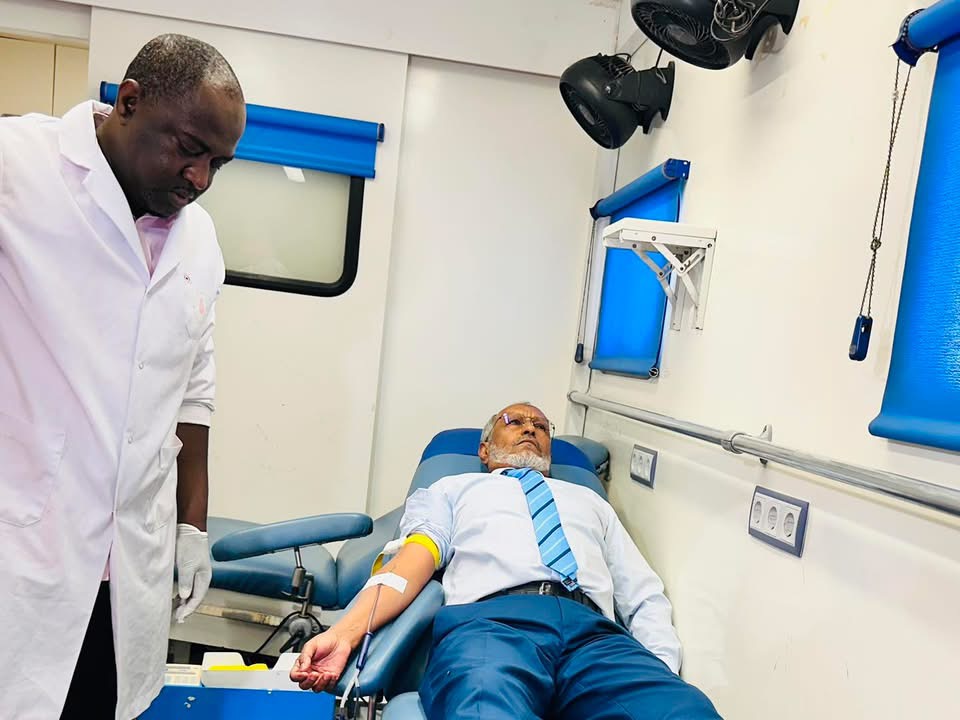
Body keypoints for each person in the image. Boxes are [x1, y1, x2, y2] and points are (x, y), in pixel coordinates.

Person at [0, 34, 246, 719]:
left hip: (125, 573)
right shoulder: (18, 166)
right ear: (129, 103)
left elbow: (194, 389)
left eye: (217, 163)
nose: (200, 178)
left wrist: (191, 528)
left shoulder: (200, 239)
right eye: (189, 149)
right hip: (24, 548)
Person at [291, 402, 722, 719]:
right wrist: (344, 634)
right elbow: (413, 560)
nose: (530, 428)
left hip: (596, 637)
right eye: (514, 421)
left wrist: (658, 671)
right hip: (492, 626)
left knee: (685, 712)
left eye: (541, 425)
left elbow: (643, 595)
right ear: (484, 449)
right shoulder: (452, 489)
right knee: (485, 710)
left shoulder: (591, 502)